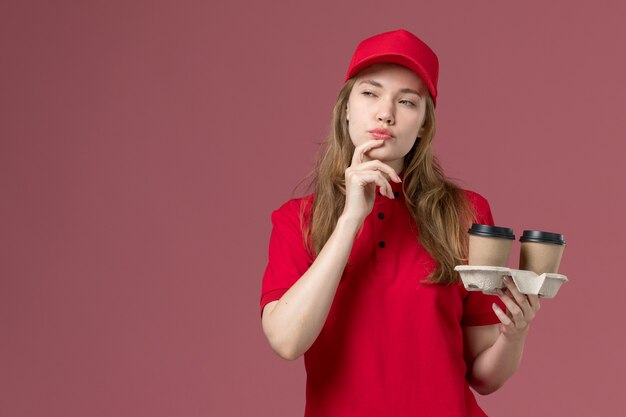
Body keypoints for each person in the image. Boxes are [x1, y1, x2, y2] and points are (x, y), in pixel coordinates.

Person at [259, 29, 540, 417]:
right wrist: (350, 219)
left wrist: (516, 333)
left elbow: (485, 377)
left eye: (407, 101)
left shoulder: (465, 214)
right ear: (345, 108)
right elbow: (287, 341)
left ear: (424, 124)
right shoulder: (298, 220)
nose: (385, 113)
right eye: (370, 93)